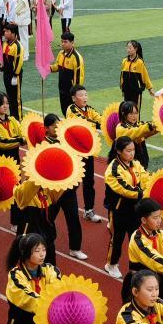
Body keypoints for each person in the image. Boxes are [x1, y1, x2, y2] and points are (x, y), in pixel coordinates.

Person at [5, 234, 64, 324]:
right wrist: (52, 305)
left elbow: (58, 288)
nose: (42, 254)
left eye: (44, 249)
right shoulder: (16, 276)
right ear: (26, 253)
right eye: (37, 250)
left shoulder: (50, 270)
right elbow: (28, 298)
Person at [104, 137, 145, 278]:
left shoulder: (136, 164)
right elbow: (124, 189)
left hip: (135, 209)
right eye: (128, 151)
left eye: (133, 150)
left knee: (135, 239)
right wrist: (143, 193)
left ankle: (134, 269)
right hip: (119, 210)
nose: (132, 153)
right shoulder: (113, 169)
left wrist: (148, 186)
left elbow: (145, 178)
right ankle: (111, 264)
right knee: (117, 239)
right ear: (119, 151)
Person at [64, 85, 104, 224]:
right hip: (74, 152)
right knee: (72, 182)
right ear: (74, 98)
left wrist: (107, 122)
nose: (85, 97)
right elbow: (84, 123)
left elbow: (99, 118)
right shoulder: (72, 110)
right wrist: (98, 125)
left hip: (87, 151)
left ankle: (89, 210)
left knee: (89, 181)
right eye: (81, 95)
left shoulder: (89, 109)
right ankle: (63, 204)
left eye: (86, 94)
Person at [114, 100, 160, 170]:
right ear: (123, 113)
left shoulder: (138, 124)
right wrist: (149, 126)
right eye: (131, 114)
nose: (134, 116)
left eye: (136, 113)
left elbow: (146, 133)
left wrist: (159, 126)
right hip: (128, 165)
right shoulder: (120, 128)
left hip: (141, 162)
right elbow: (135, 132)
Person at [119, 39, 154, 111]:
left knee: (135, 111)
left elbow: (145, 76)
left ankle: (136, 122)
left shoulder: (140, 62)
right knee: (127, 110)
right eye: (127, 47)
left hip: (136, 92)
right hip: (126, 91)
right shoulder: (124, 61)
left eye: (130, 48)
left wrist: (150, 88)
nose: (128, 50)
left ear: (135, 49)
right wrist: (122, 89)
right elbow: (122, 76)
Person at [54, 32, 83, 115]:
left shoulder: (76, 58)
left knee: (73, 114)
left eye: (65, 42)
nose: (63, 44)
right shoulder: (61, 54)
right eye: (62, 41)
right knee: (64, 111)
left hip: (71, 93)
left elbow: (78, 78)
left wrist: (75, 94)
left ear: (72, 42)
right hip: (62, 89)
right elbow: (57, 66)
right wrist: (48, 68)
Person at [0, 22, 23, 116]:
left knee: (16, 97)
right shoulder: (5, 44)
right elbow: (4, 59)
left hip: (15, 75)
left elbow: (19, 63)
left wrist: (15, 76)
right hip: (7, 74)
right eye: (5, 31)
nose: (5, 33)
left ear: (13, 33)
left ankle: (19, 117)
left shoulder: (18, 46)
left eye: (7, 31)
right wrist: (1, 69)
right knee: (9, 97)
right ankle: (12, 115)